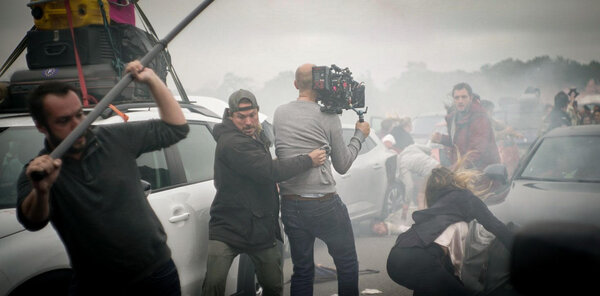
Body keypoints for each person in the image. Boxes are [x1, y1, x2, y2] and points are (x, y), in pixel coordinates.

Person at [16, 61, 188, 295]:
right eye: (64, 121)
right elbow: (33, 221)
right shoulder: (38, 173)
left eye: (79, 115)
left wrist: (151, 80)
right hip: (96, 286)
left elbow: (176, 128)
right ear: (41, 126)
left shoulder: (115, 137)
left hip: (156, 275)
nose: (77, 125)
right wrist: (42, 190)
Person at [202, 89, 326, 296]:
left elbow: (262, 165)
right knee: (213, 285)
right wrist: (308, 160)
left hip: (259, 226)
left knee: (273, 286)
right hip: (228, 225)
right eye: (241, 117)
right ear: (231, 116)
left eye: (252, 115)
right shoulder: (231, 142)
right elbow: (267, 170)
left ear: (258, 112)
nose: (248, 122)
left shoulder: (255, 135)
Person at [273, 63, 370, 296]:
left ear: (296, 84)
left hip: (290, 203)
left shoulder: (279, 112)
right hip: (323, 204)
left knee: (303, 270)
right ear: (321, 85)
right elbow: (342, 164)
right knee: (346, 264)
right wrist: (360, 135)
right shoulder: (328, 117)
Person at [386, 158, 514, 296]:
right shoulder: (465, 197)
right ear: (454, 180)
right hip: (420, 258)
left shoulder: (438, 203)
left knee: (428, 286)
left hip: (395, 259)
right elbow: (496, 226)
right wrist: (520, 251)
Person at [372, 143, 440, 236]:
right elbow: (429, 149)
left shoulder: (402, 165)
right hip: (438, 166)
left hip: (431, 173)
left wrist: (406, 205)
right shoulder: (410, 147)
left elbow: (410, 186)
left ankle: (423, 226)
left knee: (421, 197)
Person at [431, 83, 500, 170]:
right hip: (464, 169)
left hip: (483, 171)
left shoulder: (479, 117)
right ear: (454, 100)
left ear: (470, 98)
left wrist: (456, 167)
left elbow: (477, 151)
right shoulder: (454, 118)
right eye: (457, 97)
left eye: (464, 97)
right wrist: (441, 138)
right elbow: (459, 141)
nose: (460, 101)